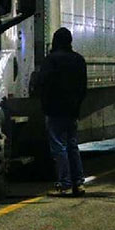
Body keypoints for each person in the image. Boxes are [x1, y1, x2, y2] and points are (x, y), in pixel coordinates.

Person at [38, 27, 88, 197]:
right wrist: (77, 105)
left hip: (55, 110)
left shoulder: (51, 60)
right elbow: (83, 87)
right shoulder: (79, 60)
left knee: (59, 146)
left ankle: (65, 183)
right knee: (73, 145)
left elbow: (43, 83)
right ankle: (78, 183)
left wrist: (44, 104)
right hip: (72, 110)